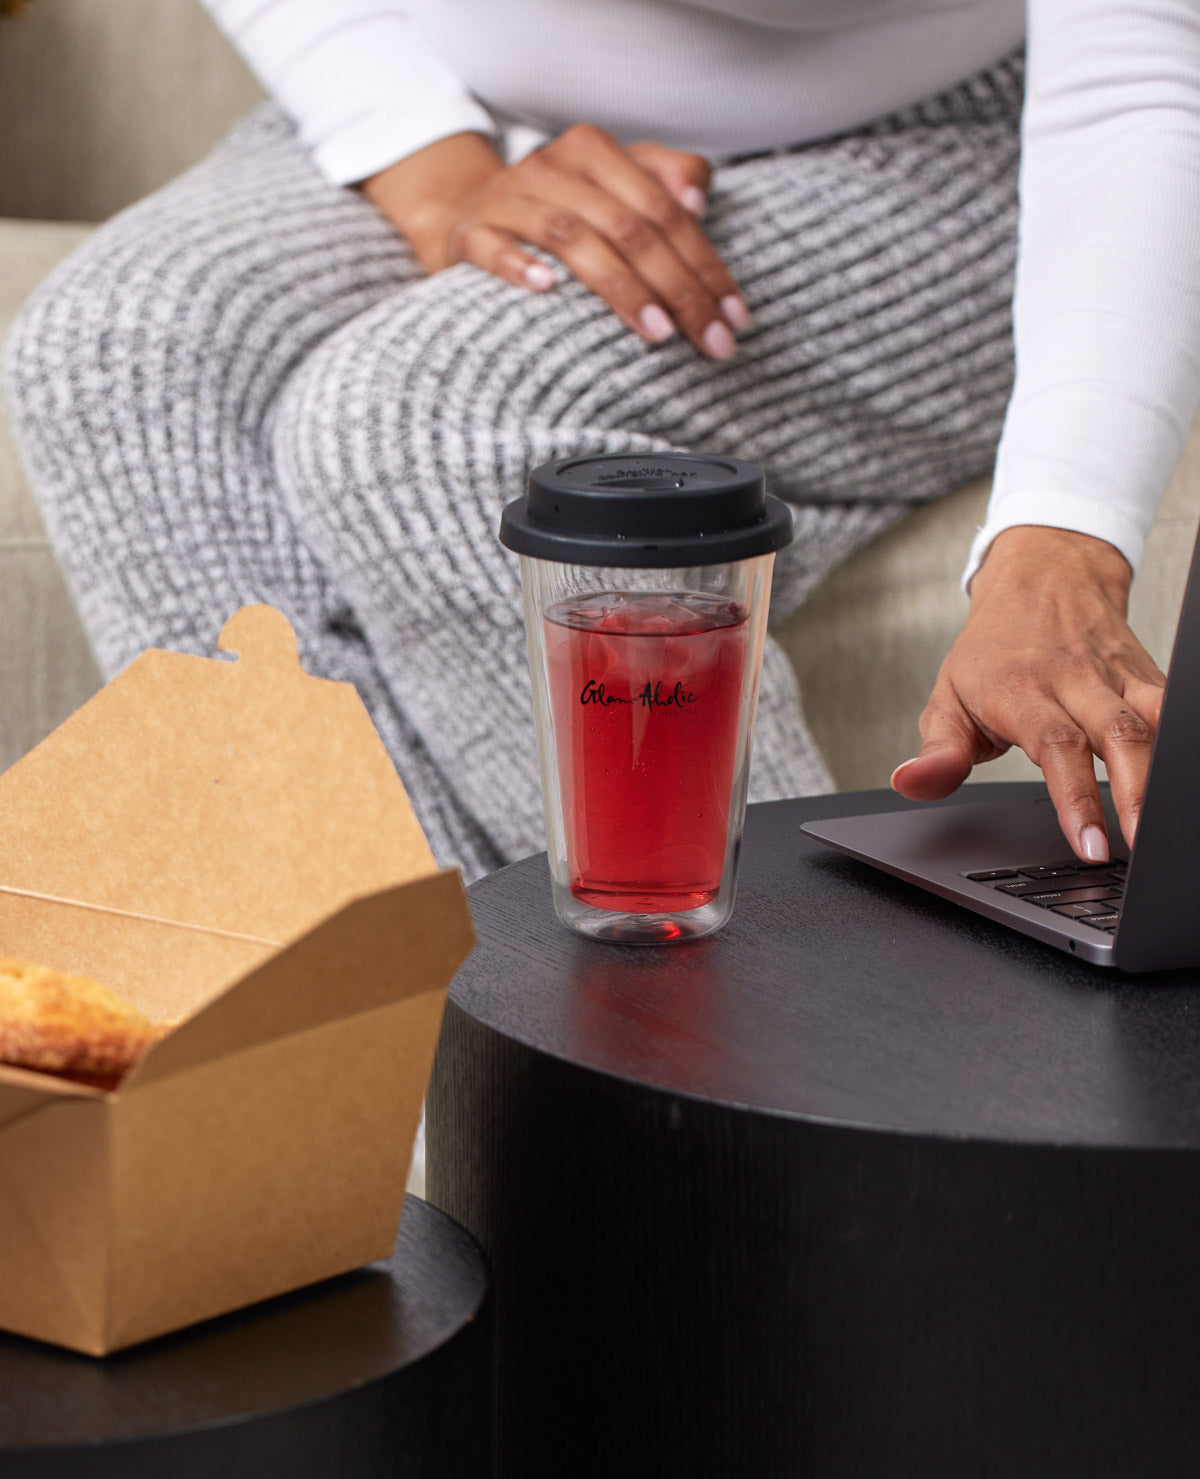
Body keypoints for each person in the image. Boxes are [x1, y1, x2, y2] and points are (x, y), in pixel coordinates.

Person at [4, 0, 1199, 884]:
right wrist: (418, 150)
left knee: (432, 424)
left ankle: (761, 1134)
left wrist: (1064, 538)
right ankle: (395, 1147)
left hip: (953, 130)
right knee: (117, 360)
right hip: (448, 75)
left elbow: (1142, 68)